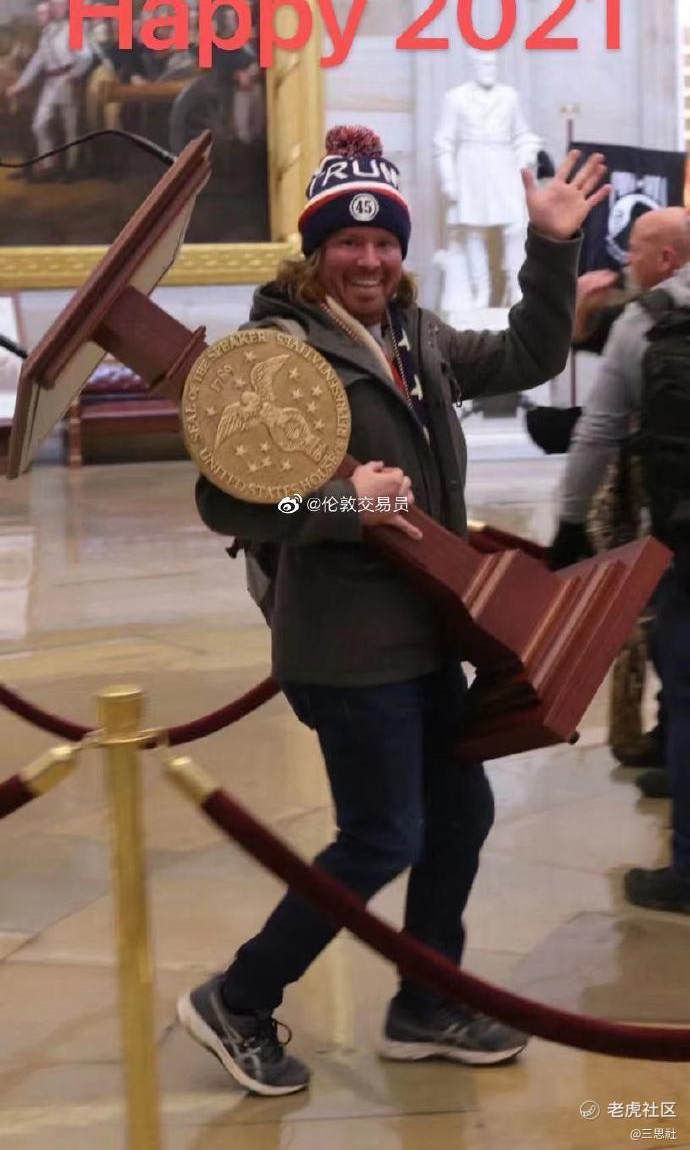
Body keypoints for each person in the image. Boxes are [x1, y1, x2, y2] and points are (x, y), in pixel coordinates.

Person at [177, 125, 609, 1096]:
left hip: (425, 631)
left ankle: (426, 1001)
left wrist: (551, 247)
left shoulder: (418, 335)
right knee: (382, 834)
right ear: (315, 250)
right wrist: (344, 504)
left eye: (383, 241)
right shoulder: (278, 351)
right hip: (345, 645)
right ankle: (238, 999)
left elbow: (533, 351)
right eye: (347, 240)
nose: (368, 258)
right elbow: (224, 503)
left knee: (460, 811)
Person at [550, 205, 690, 914]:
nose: (626, 259)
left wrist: (570, 523)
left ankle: (687, 871)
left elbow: (597, 430)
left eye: (637, 248)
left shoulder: (646, 322)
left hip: (682, 534)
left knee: (686, 682)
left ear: (667, 258)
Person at [433, 53, 540, 315]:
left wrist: (527, 152)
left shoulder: (509, 96)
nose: (488, 69)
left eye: (492, 64)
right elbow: (443, 142)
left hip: (503, 163)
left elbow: (522, 134)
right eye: (483, 64)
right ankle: (481, 291)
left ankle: (516, 288)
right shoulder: (456, 97)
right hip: (470, 166)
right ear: (472, 67)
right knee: (473, 231)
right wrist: (449, 180)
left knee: (514, 228)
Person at [5, 0, 92, 179]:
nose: (57, 8)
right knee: (39, 124)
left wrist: (74, 74)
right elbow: (37, 62)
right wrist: (20, 85)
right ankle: (48, 164)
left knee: (70, 128)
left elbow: (86, 57)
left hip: (68, 82)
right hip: (51, 84)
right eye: (54, 5)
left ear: (67, 7)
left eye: (61, 5)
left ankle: (71, 168)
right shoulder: (47, 33)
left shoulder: (73, 29)